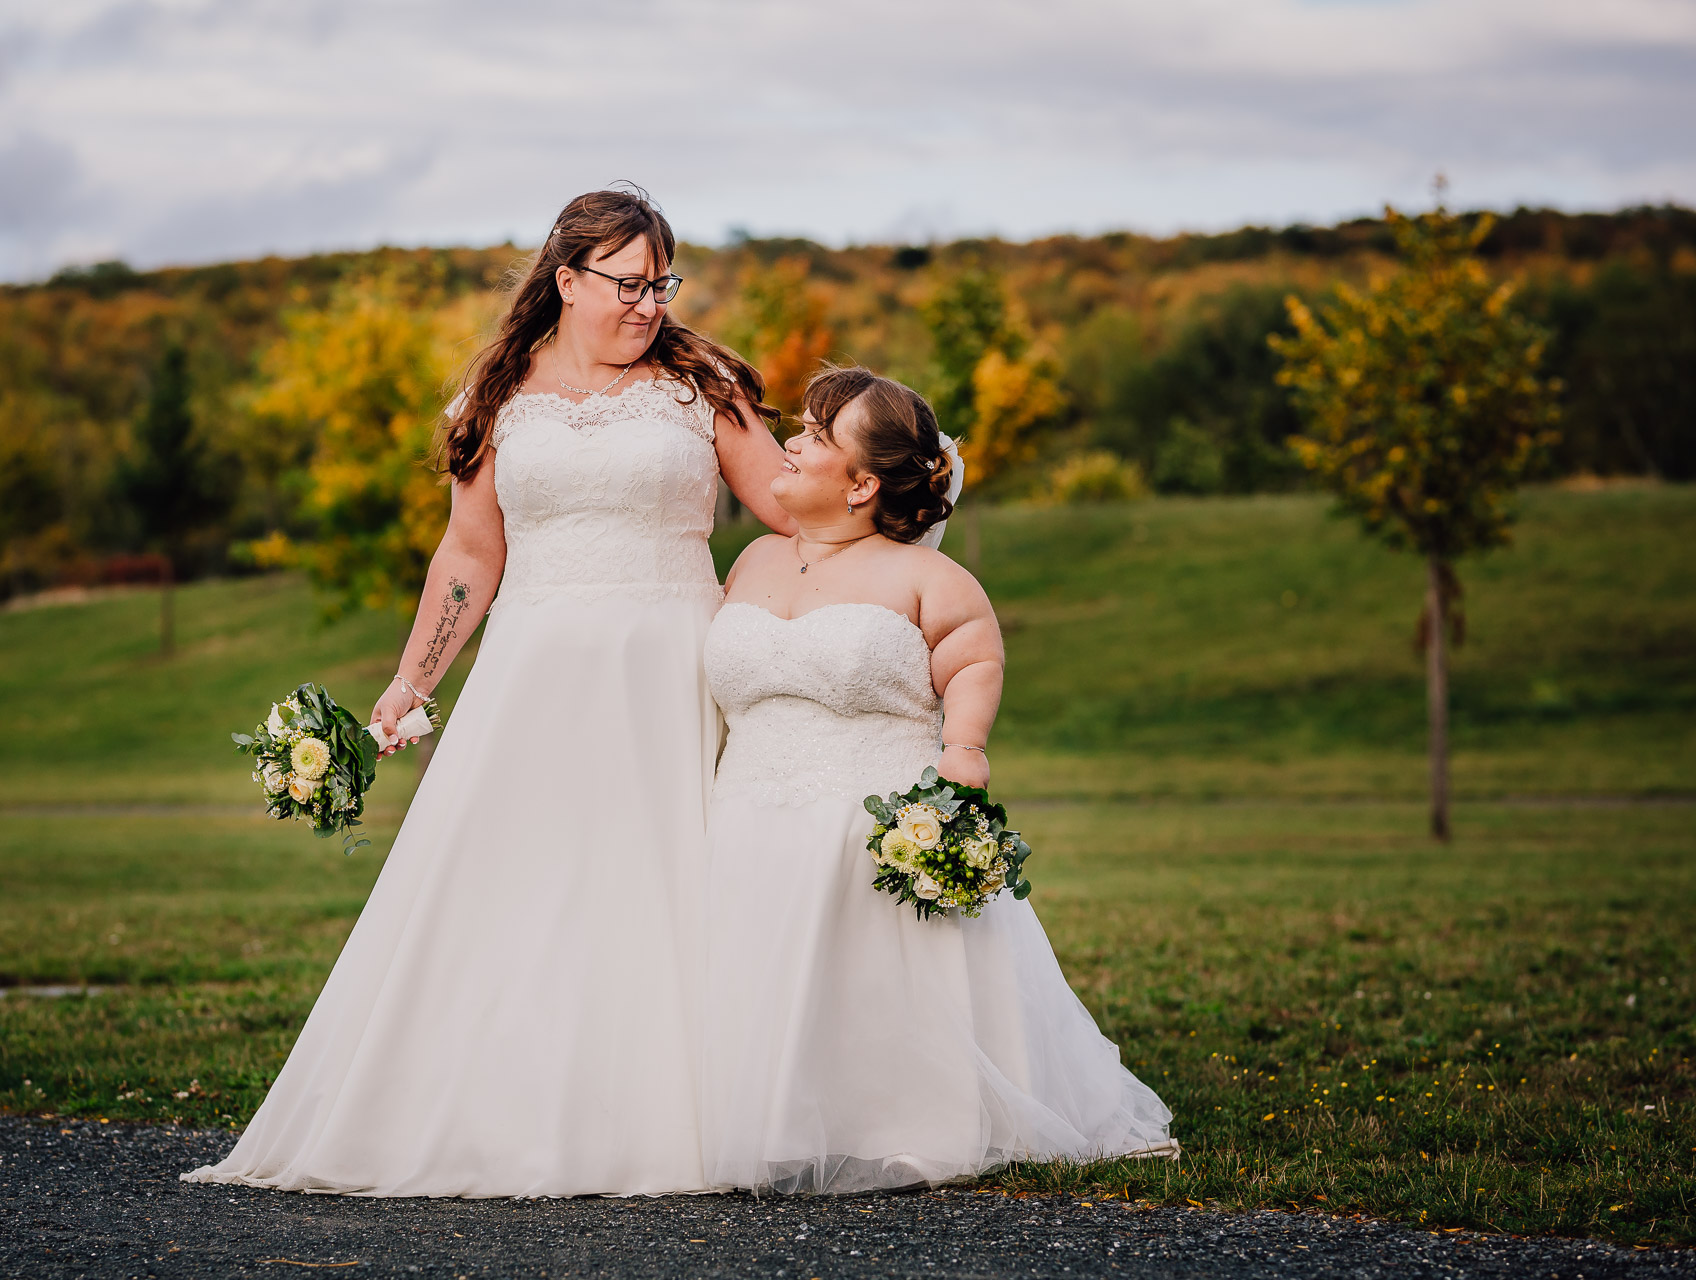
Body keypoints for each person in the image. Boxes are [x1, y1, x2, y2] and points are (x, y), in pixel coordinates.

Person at [183, 186, 793, 1197]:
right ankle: (506, 1106)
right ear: (565, 278)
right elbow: (471, 553)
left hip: (672, 664)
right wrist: (411, 680)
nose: (650, 304)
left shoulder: (704, 386)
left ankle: (674, 1113)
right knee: (526, 882)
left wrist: (896, 489)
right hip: (534, 671)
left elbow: (781, 501)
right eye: (629, 284)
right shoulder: (496, 397)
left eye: (662, 284)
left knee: (664, 880)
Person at [699, 366, 1177, 1194]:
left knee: (881, 980)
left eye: (815, 438)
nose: (791, 443)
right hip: (747, 813)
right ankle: (760, 1117)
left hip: (869, 816)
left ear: (860, 484)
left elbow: (973, 657)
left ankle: (899, 1120)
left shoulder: (925, 578)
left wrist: (964, 751)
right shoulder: (751, 561)